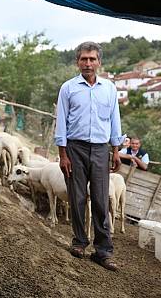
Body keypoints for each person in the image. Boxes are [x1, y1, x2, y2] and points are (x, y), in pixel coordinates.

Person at [55, 41, 124, 272]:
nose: (88, 63)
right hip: (75, 149)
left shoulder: (109, 89)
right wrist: (62, 155)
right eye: (84, 59)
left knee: (101, 200)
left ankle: (103, 251)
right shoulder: (68, 88)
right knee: (77, 198)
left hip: (101, 149)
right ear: (77, 62)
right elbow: (61, 123)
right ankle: (79, 242)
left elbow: (115, 121)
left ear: (99, 62)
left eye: (92, 59)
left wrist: (116, 150)